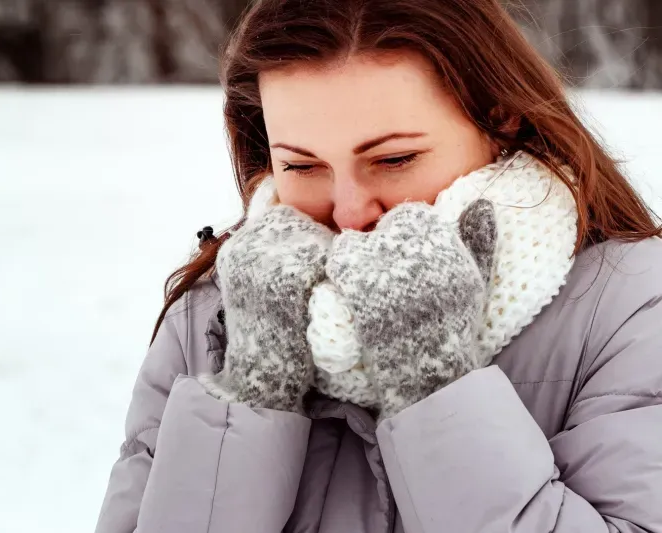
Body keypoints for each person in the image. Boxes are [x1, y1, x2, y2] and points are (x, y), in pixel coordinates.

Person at [95, 1, 662, 532]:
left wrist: (435, 382)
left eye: (394, 159)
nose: (348, 211)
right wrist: (254, 385)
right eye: (301, 165)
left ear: (501, 120)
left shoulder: (632, 307)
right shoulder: (213, 319)